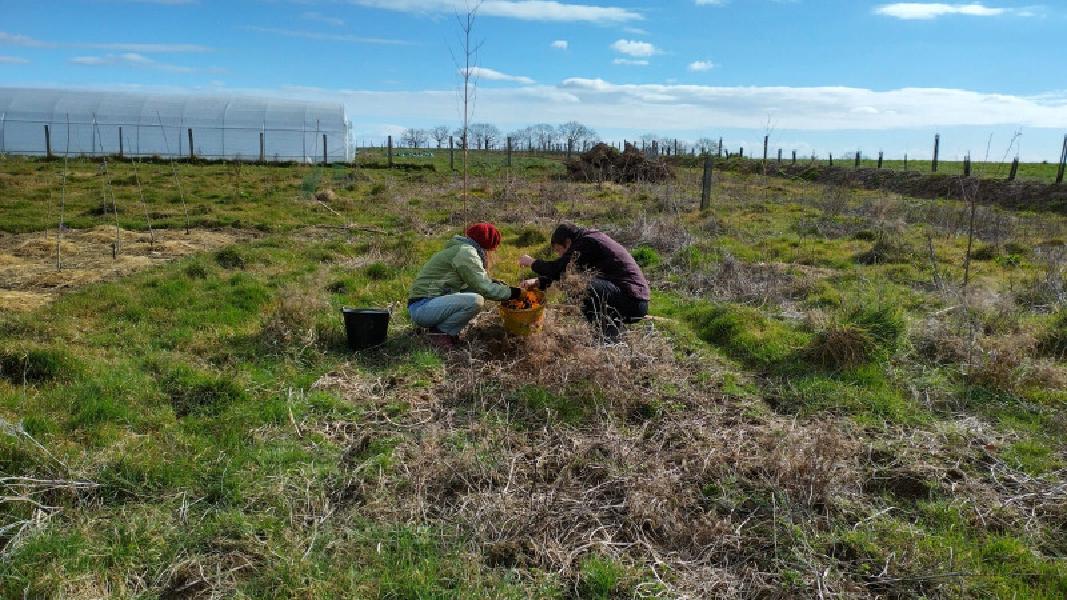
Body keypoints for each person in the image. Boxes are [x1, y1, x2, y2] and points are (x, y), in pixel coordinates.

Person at [519, 223, 650, 341]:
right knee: (577, 281)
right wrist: (538, 281)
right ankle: (605, 334)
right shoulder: (588, 240)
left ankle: (607, 339)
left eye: (559, 250)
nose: (560, 255)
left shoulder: (587, 242)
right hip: (629, 298)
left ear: (568, 242)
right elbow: (568, 272)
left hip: (632, 300)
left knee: (579, 285)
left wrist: (532, 262)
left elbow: (560, 270)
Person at [408, 223, 522, 349]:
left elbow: (469, 288)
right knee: (475, 301)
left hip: (424, 305)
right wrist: (515, 293)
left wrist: (493, 283)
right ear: (486, 245)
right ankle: (439, 333)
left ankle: (441, 330)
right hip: (423, 307)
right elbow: (484, 289)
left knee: (476, 296)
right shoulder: (467, 252)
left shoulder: (460, 249)